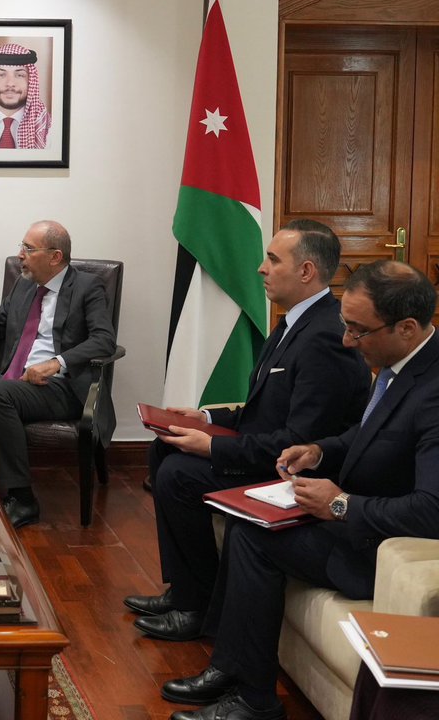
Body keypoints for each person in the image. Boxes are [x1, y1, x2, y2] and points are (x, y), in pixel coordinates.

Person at [162, 260, 439, 720]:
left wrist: (341, 504)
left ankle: (253, 699)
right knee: (245, 518)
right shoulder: (400, 364)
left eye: (358, 330)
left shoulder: (433, 393)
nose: (348, 341)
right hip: (357, 519)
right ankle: (230, 669)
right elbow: (369, 437)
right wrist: (316, 450)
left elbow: (432, 510)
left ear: (406, 328)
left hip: (381, 548)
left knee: (253, 538)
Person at [125, 220, 370, 643]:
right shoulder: (293, 323)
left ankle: (196, 608)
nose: (261, 268)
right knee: (164, 452)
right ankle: (184, 589)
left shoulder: (325, 337)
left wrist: (214, 447)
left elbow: (297, 440)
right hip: (264, 449)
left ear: (307, 271)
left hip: (291, 471)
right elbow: (263, 409)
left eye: (273, 260)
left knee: (179, 474)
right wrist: (206, 420)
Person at [0, 220, 116, 528]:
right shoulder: (25, 284)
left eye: (28, 249)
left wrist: (57, 362)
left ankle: (22, 497)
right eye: (22, 246)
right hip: (16, 381)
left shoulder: (87, 287)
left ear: (55, 256)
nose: (20, 255)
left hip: (61, 388)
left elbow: (104, 339)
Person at [0, 43, 51, 149]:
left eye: (19, 75)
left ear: (31, 82)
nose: (10, 83)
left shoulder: (50, 130)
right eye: (1, 75)